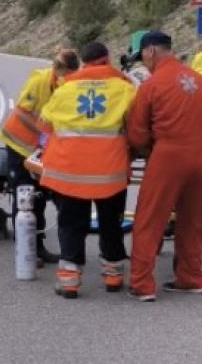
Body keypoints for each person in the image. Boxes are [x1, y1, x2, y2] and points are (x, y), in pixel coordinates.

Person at [38, 42, 136, 299]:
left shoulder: (65, 89)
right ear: (107, 61)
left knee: (71, 224)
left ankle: (69, 281)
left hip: (69, 172)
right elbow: (137, 129)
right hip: (110, 173)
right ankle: (113, 276)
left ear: (83, 63)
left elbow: (45, 126)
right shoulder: (125, 89)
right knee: (111, 224)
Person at [125, 31, 202, 302]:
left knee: (149, 219)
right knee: (193, 219)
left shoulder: (153, 85)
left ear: (150, 51)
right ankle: (192, 277)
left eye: (143, 58)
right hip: (199, 158)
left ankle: (142, 284)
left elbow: (137, 134)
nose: (144, 64)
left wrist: (140, 149)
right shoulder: (197, 79)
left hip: (168, 155)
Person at [0, 48, 79, 266]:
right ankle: (26, 250)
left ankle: (38, 247)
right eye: (65, 75)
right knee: (25, 197)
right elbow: (22, 111)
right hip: (19, 145)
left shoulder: (67, 82)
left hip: (41, 150)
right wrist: (45, 131)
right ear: (57, 69)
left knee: (40, 197)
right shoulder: (39, 80)